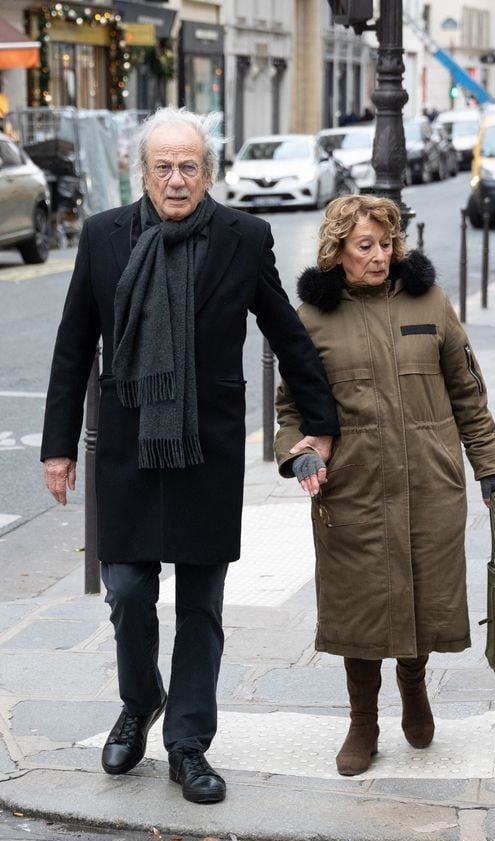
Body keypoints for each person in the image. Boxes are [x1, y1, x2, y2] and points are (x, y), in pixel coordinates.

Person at [41, 106, 340, 804]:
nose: (177, 180)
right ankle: (140, 698)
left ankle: (188, 743)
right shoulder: (105, 235)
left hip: (206, 447)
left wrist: (320, 425)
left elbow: (288, 335)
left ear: (208, 171)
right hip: (128, 444)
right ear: (142, 172)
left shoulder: (243, 237)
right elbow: (71, 345)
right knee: (128, 593)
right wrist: (59, 446)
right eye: (163, 166)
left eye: (189, 166)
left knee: (201, 604)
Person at [274, 195, 495, 776]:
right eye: (365, 247)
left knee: (425, 592)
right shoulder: (312, 319)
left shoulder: (429, 300)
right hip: (352, 485)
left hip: (429, 480)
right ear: (338, 252)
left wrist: (491, 466)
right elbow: (290, 413)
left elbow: (467, 391)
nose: (379, 257)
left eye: (386, 244)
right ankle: (363, 721)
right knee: (358, 603)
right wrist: (298, 456)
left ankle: (413, 685)